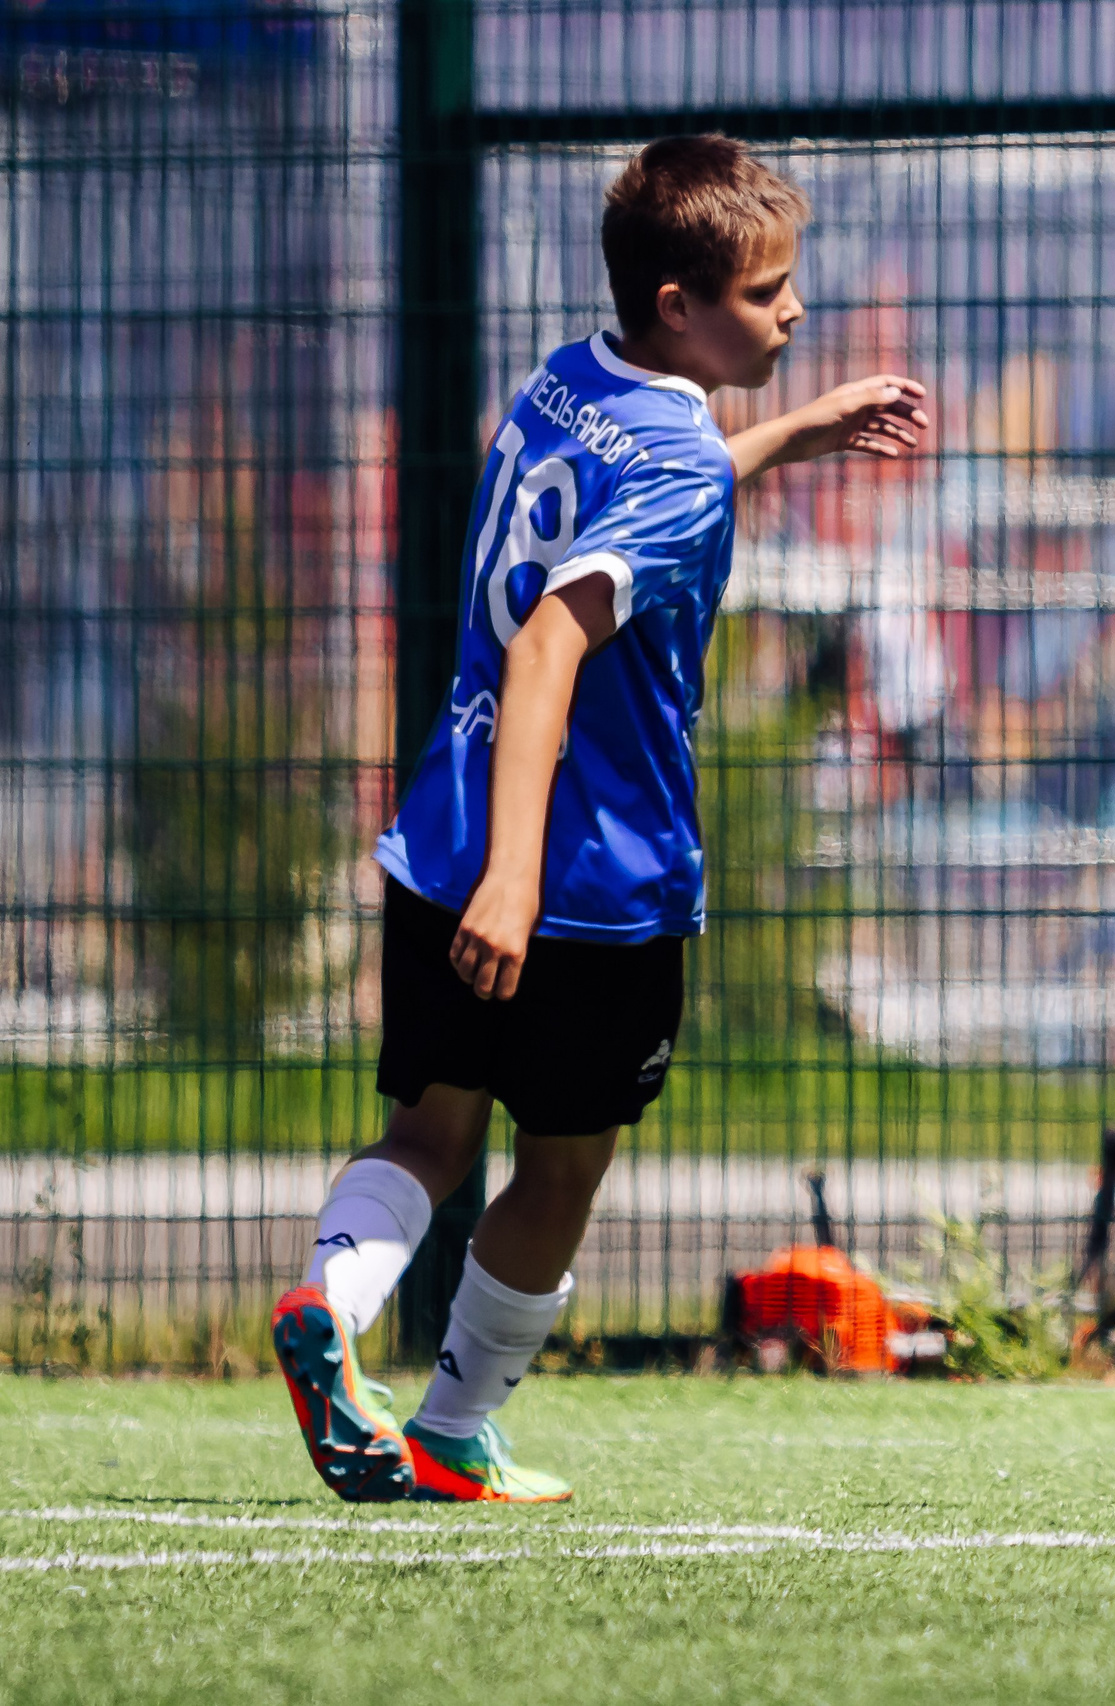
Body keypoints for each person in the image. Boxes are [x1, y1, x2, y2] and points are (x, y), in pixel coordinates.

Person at [271, 135, 930, 1503]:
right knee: (564, 1164)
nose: (794, 313)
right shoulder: (685, 466)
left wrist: (793, 432)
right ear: (681, 305)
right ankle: (455, 1425)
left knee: (427, 1137)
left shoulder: (567, 377)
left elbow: (652, 487)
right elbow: (550, 650)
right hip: (583, 880)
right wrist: (521, 877)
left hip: (440, 836)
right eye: (768, 294)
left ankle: (330, 1308)